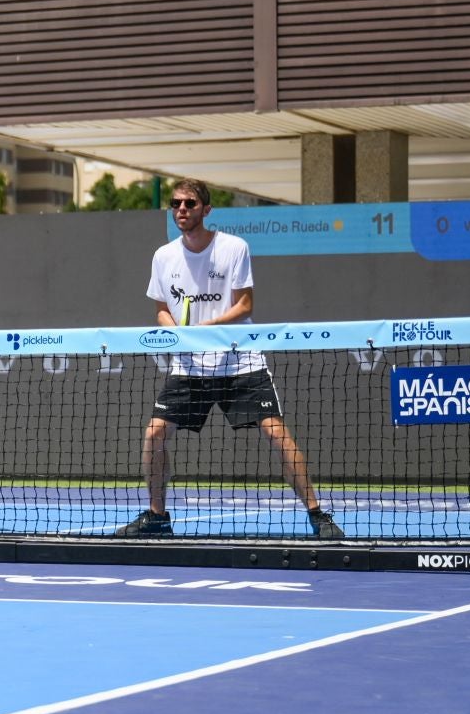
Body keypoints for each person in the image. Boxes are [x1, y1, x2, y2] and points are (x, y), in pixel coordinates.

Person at [114, 178, 344, 541]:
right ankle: (158, 516)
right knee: (155, 433)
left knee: (276, 433)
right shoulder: (163, 256)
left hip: (240, 361)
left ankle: (317, 515)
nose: (181, 209)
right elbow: (161, 310)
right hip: (189, 365)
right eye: (176, 203)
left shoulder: (234, 247)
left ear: (206, 210)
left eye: (190, 203)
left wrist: (206, 328)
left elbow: (245, 305)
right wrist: (177, 334)